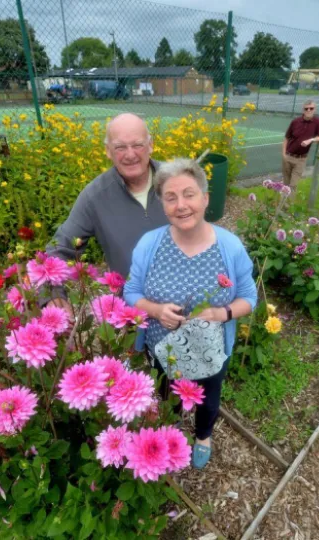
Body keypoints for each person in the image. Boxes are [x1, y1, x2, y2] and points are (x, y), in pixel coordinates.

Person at [123, 158, 257, 469]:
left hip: (209, 351)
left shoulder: (230, 247)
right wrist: (155, 310)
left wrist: (220, 312)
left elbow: (249, 298)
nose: (181, 205)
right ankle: (166, 434)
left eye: (189, 194)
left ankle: (203, 436)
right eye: (171, 197)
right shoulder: (149, 244)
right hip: (162, 347)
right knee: (163, 390)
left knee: (209, 396)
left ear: (205, 198)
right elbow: (131, 293)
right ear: (162, 203)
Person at [45, 113, 168, 309]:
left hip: (186, 302)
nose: (130, 154)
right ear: (108, 151)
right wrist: (54, 299)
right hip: (132, 313)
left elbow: (206, 236)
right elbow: (59, 250)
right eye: (120, 147)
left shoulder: (176, 180)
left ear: (150, 145)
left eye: (138, 145)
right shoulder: (95, 197)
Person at [281, 99, 319, 188]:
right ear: (303, 110)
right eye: (306, 109)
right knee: (285, 184)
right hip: (288, 157)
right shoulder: (295, 122)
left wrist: (311, 140)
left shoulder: (317, 122)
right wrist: (284, 155)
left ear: (315, 109)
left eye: (311, 108)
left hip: (301, 160)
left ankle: (289, 202)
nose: (309, 110)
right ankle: (284, 202)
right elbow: (286, 138)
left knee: (293, 185)